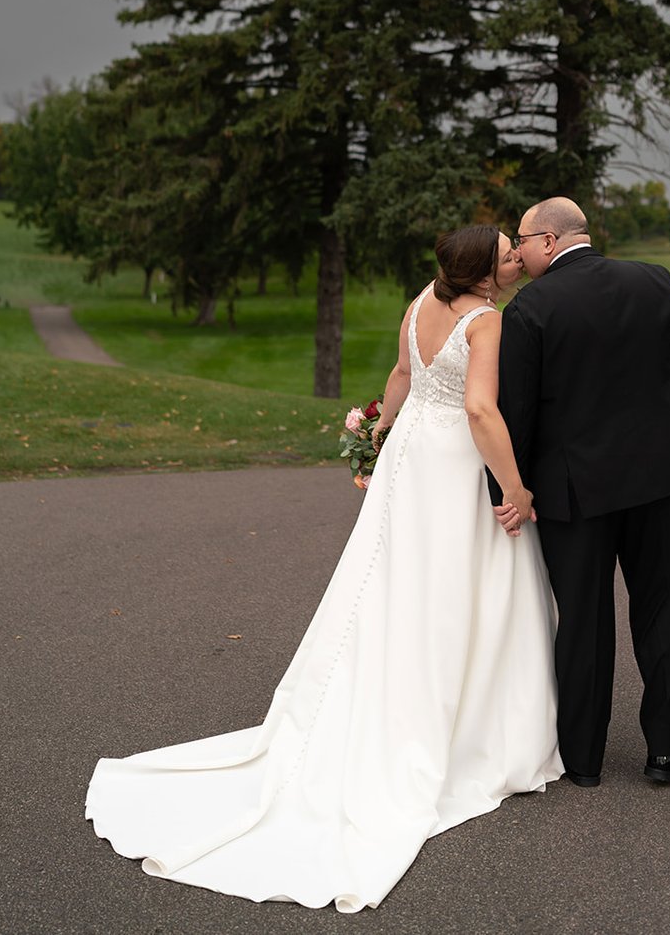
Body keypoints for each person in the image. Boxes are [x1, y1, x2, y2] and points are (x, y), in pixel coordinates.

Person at [86, 225, 563, 913]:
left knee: (396, 576)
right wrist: (514, 489)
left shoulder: (421, 300)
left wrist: (379, 434)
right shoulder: (486, 322)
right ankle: (465, 716)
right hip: (454, 462)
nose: (515, 256)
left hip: (410, 461)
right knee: (456, 581)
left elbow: (402, 376)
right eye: (506, 251)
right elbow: (481, 409)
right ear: (486, 273)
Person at [492, 197, 670, 788]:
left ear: (548, 240)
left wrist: (509, 490)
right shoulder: (654, 281)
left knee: (583, 621)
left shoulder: (531, 308)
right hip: (661, 480)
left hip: (574, 494)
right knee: (666, 609)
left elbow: (516, 412)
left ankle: (582, 759)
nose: (517, 252)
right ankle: (669, 750)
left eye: (521, 240)